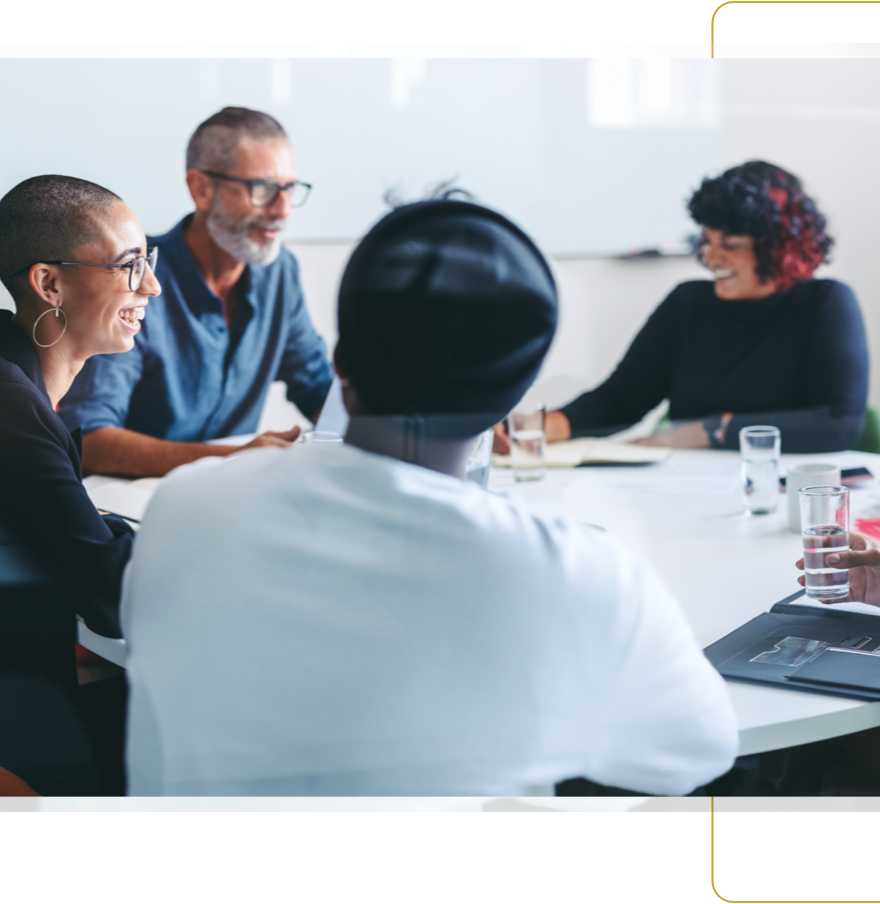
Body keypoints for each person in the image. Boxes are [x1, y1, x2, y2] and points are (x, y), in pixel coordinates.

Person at [122, 196, 739, 804]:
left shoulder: (182, 509)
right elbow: (701, 751)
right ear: (514, 395)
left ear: (339, 363)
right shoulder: (580, 577)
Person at [0, 175, 160, 794]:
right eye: (128, 266)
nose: (149, 285)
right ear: (49, 284)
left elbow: (57, 528)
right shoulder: (1, 398)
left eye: (147, 262)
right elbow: (110, 596)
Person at [495, 160, 869, 455]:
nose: (710, 257)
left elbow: (837, 424)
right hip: (686, 489)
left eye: (730, 244)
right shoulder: (687, 304)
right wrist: (532, 429)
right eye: (705, 241)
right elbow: (620, 400)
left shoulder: (825, 304)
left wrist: (707, 430)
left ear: (780, 247)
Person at [58, 107, 334, 478]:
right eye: (263, 189)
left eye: (289, 189)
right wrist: (232, 458)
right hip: (133, 507)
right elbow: (88, 438)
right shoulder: (133, 277)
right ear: (201, 189)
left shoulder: (280, 272)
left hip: (233, 496)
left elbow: (318, 387)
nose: (282, 210)